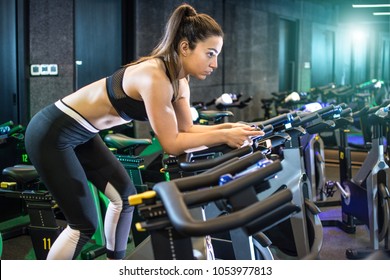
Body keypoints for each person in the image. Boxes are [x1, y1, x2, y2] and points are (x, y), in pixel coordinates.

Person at [24, 3, 263, 260]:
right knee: (82, 225)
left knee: (125, 198)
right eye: (210, 54)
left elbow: (186, 128)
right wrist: (225, 136)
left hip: (83, 133)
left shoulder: (181, 80)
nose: (215, 64)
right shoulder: (155, 77)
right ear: (185, 47)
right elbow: (171, 143)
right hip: (51, 133)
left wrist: (231, 127)